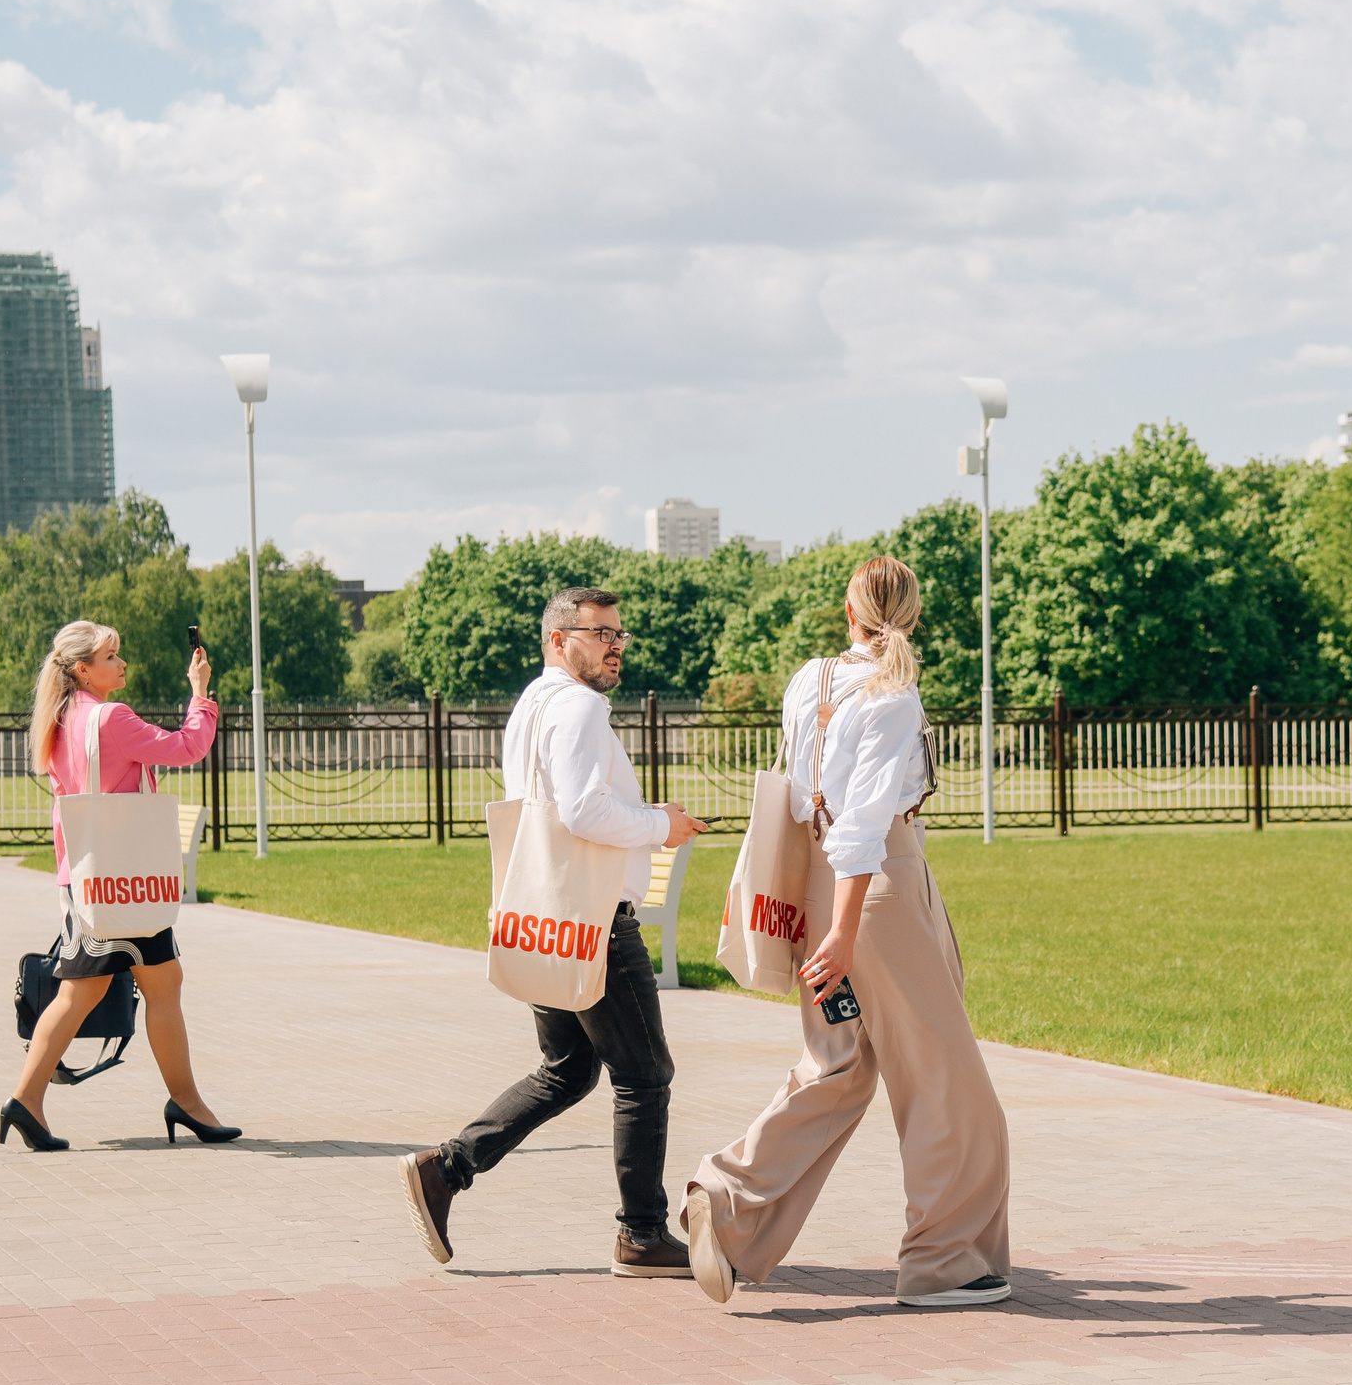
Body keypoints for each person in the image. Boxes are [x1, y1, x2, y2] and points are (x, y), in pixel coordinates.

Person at [682, 555, 1013, 1308]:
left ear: (848, 610)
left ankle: (727, 1200)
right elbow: (864, 823)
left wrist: (829, 922)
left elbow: (807, 797)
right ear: (913, 613)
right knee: (946, 1081)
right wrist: (844, 931)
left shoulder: (812, 680)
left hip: (821, 881)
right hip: (876, 891)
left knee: (838, 1067)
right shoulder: (894, 692)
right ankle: (946, 1263)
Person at [398, 587, 709, 1276]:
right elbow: (581, 812)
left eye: (619, 634)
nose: (614, 646)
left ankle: (445, 1169)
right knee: (645, 1075)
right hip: (593, 923)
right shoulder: (579, 706)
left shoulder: (533, 704)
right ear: (557, 640)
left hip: (545, 918)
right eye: (599, 633)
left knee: (568, 1070)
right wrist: (661, 825)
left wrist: (646, 815)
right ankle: (642, 1235)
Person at [0, 620, 230, 1153]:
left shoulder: (61, 721)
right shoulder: (110, 718)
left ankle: (31, 1101)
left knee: (117, 987)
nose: (121, 663)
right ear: (83, 670)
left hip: (87, 879)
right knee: (123, 988)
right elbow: (187, 747)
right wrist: (200, 695)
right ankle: (180, 1102)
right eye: (110, 657)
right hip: (126, 883)